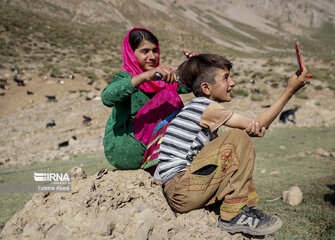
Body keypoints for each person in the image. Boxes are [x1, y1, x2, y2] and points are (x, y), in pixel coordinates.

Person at [158, 53, 309, 236]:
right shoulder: (206, 108)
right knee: (238, 137)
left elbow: (257, 128)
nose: (233, 83)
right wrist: (289, 91)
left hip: (184, 190)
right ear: (206, 88)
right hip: (181, 189)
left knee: (235, 147)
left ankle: (243, 209)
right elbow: (257, 126)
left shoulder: (200, 108)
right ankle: (235, 215)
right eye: (226, 78)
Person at [101, 27, 197, 171]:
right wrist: (144, 77)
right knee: (168, 97)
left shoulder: (161, 77)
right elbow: (107, 98)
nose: (152, 57)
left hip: (150, 147)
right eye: (144, 51)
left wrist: (197, 65)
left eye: (155, 50)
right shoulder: (125, 77)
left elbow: (187, 86)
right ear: (131, 54)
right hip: (126, 147)